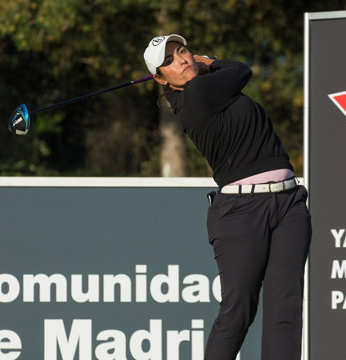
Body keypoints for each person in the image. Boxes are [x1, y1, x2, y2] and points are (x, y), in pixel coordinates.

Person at [143, 34, 312, 360]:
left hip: (289, 203)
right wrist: (210, 62)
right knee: (238, 313)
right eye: (169, 62)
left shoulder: (214, 93)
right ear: (161, 79)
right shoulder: (196, 95)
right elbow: (240, 70)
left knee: (285, 308)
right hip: (241, 212)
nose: (181, 59)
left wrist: (206, 67)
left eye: (182, 51)